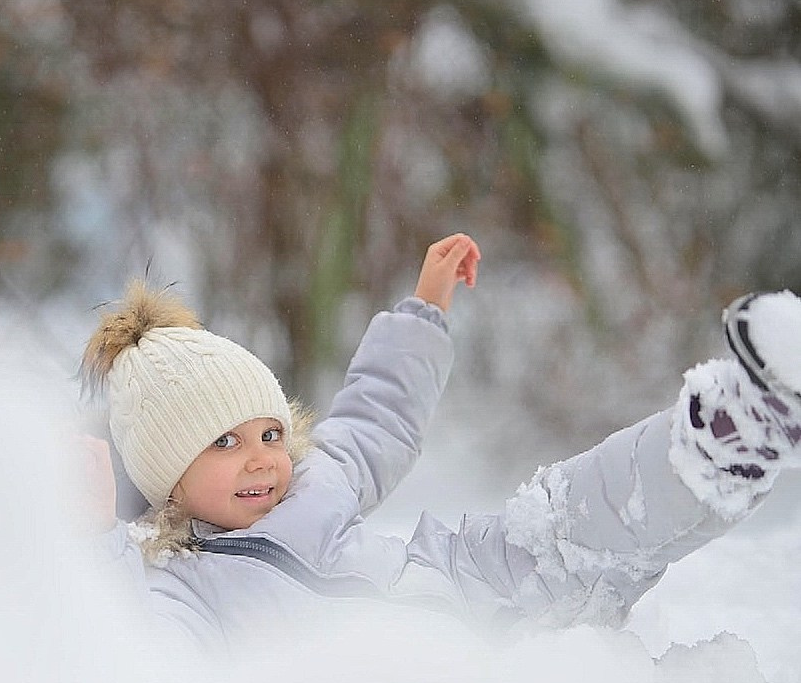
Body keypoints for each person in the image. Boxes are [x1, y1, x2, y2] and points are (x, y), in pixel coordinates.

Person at [79, 234, 801, 651]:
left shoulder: (314, 478)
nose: (262, 456)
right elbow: (135, 654)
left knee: (576, 516)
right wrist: (91, 535)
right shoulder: (181, 584)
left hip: (466, 580)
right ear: (170, 478)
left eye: (269, 431)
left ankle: (734, 432)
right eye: (225, 443)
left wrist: (422, 312)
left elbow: (375, 415)